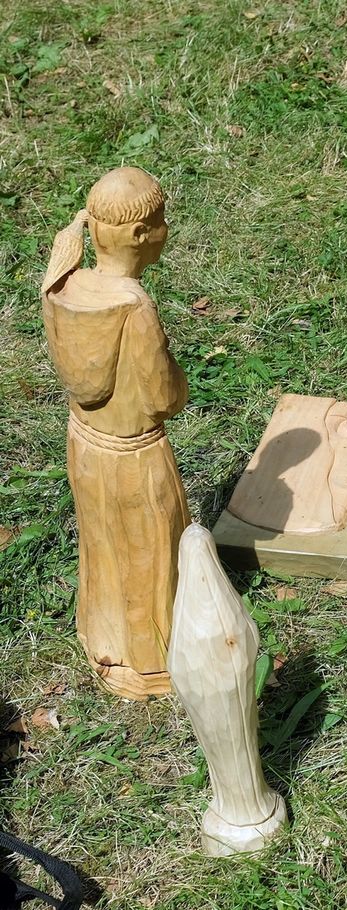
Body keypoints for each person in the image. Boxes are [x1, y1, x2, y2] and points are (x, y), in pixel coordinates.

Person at [41, 167, 191, 699]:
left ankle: (103, 641)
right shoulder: (135, 307)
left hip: (86, 445)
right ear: (137, 235)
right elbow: (162, 397)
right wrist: (180, 381)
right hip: (136, 458)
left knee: (103, 547)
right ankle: (153, 663)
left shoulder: (62, 285)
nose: (166, 229)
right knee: (150, 555)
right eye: (160, 222)